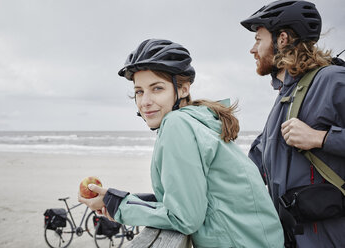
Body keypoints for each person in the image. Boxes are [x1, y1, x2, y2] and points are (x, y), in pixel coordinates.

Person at [79, 38, 284, 248]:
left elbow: (185, 218)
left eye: (157, 88)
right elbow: (187, 197)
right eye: (139, 91)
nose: (145, 101)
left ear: (183, 89)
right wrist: (117, 200)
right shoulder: (198, 121)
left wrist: (119, 207)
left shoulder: (176, 124)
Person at [241, 0, 345, 247]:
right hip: (292, 238)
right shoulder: (285, 98)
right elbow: (253, 165)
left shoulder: (332, 80)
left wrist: (321, 139)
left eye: (258, 39)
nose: (252, 50)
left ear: (282, 39)